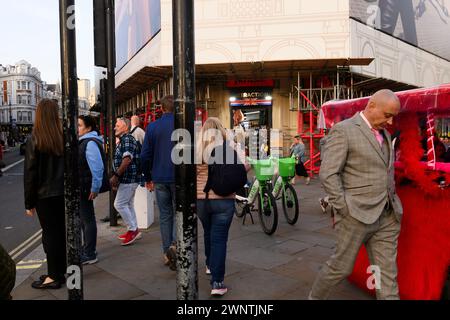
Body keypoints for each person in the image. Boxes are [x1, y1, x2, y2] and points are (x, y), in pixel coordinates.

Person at [309, 89, 403, 300]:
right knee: (340, 268)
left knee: (386, 273)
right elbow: (328, 173)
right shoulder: (344, 130)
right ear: (371, 106)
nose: (390, 122)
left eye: (392, 117)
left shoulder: (385, 134)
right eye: (387, 115)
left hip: (387, 215)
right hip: (355, 215)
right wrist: (344, 208)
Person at [196, 117, 242, 296]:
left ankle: (209, 264)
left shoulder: (195, 151)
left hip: (201, 200)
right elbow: (237, 173)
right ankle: (217, 282)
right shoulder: (227, 150)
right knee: (219, 239)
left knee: (208, 232)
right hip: (223, 200)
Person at [24, 99, 66, 289]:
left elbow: (30, 174)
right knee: (59, 233)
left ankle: (53, 277)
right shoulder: (62, 137)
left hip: (44, 196)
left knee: (49, 235)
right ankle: (60, 271)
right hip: (61, 194)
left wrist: (28, 203)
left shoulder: (35, 139)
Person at [140, 95, 177, 270]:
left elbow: (144, 156)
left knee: (165, 215)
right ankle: (177, 247)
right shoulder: (184, 125)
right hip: (180, 178)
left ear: (162, 108)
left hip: (160, 177)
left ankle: (166, 252)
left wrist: (148, 177)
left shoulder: (152, 127)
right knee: (180, 214)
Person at [110, 117, 143, 246]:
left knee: (119, 204)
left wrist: (116, 175)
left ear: (125, 127)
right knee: (128, 204)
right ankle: (135, 229)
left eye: (117, 126)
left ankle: (132, 230)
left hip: (128, 178)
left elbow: (127, 159)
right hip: (129, 178)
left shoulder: (127, 139)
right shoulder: (124, 139)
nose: (114, 128)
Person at [78, 115, 105, 264]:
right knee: (84, 219)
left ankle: (90, 253)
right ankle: (87, 248)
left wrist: (95, 187)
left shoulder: (89, 143)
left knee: (87, 220)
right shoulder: (84, 141)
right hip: (83, 185)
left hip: (86, 187)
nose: (77, 128)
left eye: (80, 125)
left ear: (88, 128)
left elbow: (97, 167)